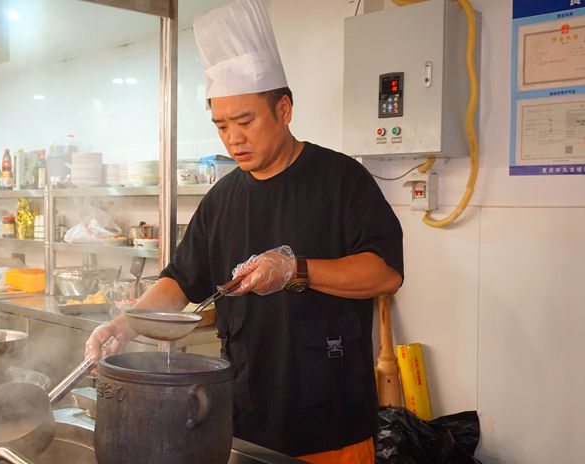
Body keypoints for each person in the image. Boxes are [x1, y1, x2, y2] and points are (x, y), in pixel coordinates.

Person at [84, 1, 403, 463]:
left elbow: (385, 274)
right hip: (242, 420)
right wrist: (126, 323)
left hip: (331, 426)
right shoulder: (222, 198)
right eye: (220, 125)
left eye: (245, 121)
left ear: (284, 109)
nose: (233, 139)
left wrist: (295, 269)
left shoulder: (341, 180)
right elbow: (180, 281)